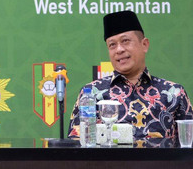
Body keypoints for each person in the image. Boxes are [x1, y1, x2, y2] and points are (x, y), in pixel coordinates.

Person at [68, 10, 192, 142]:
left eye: (125, 41)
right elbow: (76, 147)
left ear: (144, 45)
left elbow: (189, 149)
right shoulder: (92, 94)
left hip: (161, 164)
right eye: (112, 45)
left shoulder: (173, 93)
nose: (119, 49)